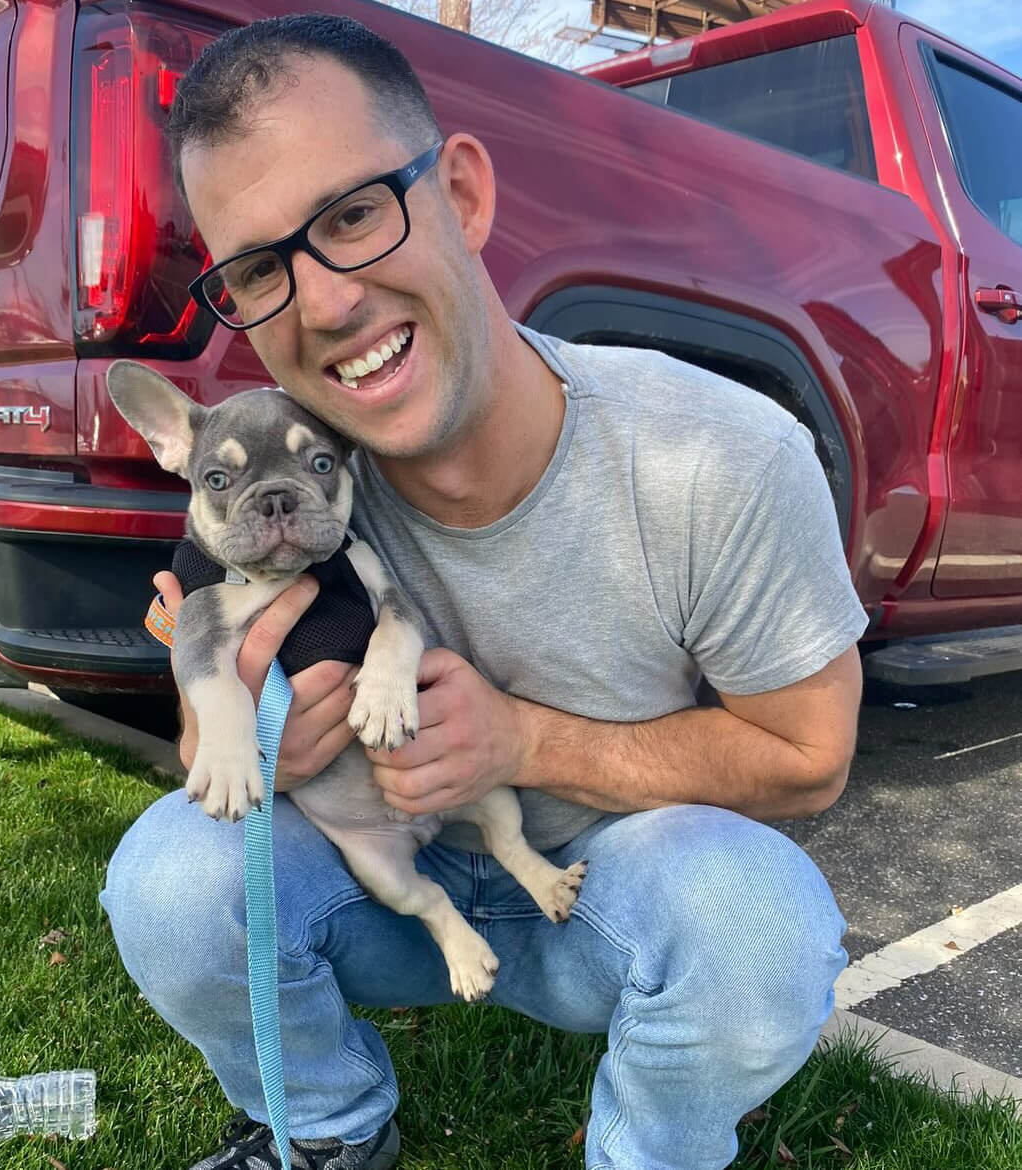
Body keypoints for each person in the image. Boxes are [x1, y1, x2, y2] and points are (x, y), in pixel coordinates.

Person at [99, 13, 867, 1170]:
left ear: (460, 194)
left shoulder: (718, 454)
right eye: (260, 270)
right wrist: (259, 737)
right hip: (378, 871)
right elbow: (203, 707)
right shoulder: (279, 481)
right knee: (167, 876)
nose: (322, 304)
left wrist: (518, 742)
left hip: (600, 885)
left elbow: (811, 755)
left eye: (353, 215)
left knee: (757, 920)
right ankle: (323, 1129)